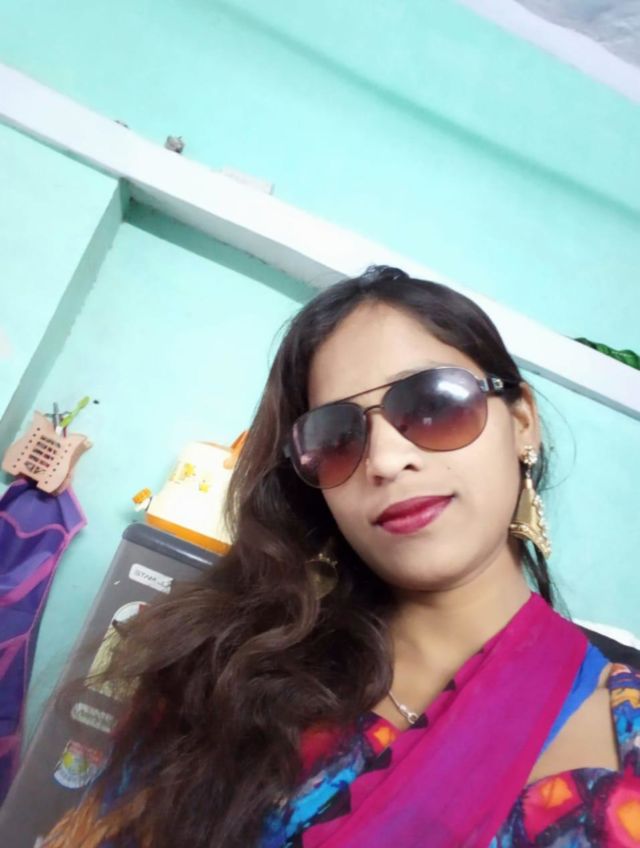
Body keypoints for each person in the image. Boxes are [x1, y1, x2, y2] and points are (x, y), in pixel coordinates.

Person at [43, 266, 640, 848]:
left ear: (522, 422)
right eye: (335, 437)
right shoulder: (227, 671)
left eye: (433, 403)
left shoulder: (623, 745)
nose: (384, 460)